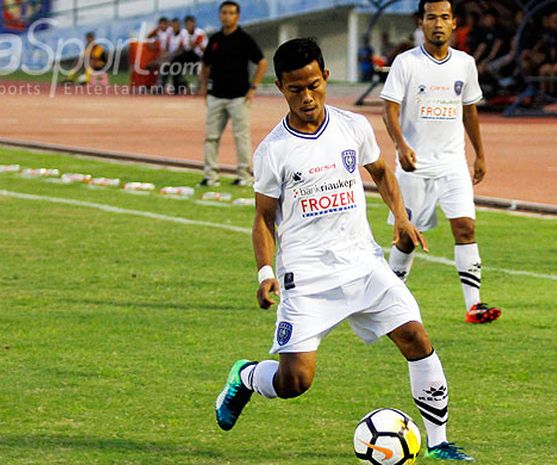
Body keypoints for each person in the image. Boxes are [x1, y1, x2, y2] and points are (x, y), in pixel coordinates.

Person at [214, 37, 475, 462]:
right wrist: (265, 274)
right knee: (295, 381)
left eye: (314, 85)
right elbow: (263, 219)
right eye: (295, 89)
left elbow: (382, 173)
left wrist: (402, 218)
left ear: (326, 78)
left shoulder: (352, 126)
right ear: (280, 87)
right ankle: (245, 377)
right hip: (308, 277)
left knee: (416, 338)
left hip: (363, 263)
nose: (307, 97)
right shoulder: (273, 151)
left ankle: (440, 443)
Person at [380, 0, 501, 324]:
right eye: (431, 17)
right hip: (414, 165)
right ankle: (390, 300)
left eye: (444, 18)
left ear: (453, 23)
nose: (438, 23)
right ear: (421, 22)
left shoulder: (464, 63)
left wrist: (480, 154)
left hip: (453, 164)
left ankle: (474, 306)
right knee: (407, 237)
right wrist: (401, 146)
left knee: (465, 227)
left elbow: (469, 110)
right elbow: (389, 109)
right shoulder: (406, 63)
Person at [197, 1, 267, 187]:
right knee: (211, 137)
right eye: (224, 12)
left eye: (231, 13)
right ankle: (210, 175)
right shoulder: (215, 40)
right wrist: (204, 88)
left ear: (237, 16)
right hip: (216, 96)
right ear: (220, 15)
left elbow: (262, 62)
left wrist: (253, 88)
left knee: (241, 137)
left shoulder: (244, 39)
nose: (227, 16)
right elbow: (205, 65)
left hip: (239, 97)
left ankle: (244, 175)